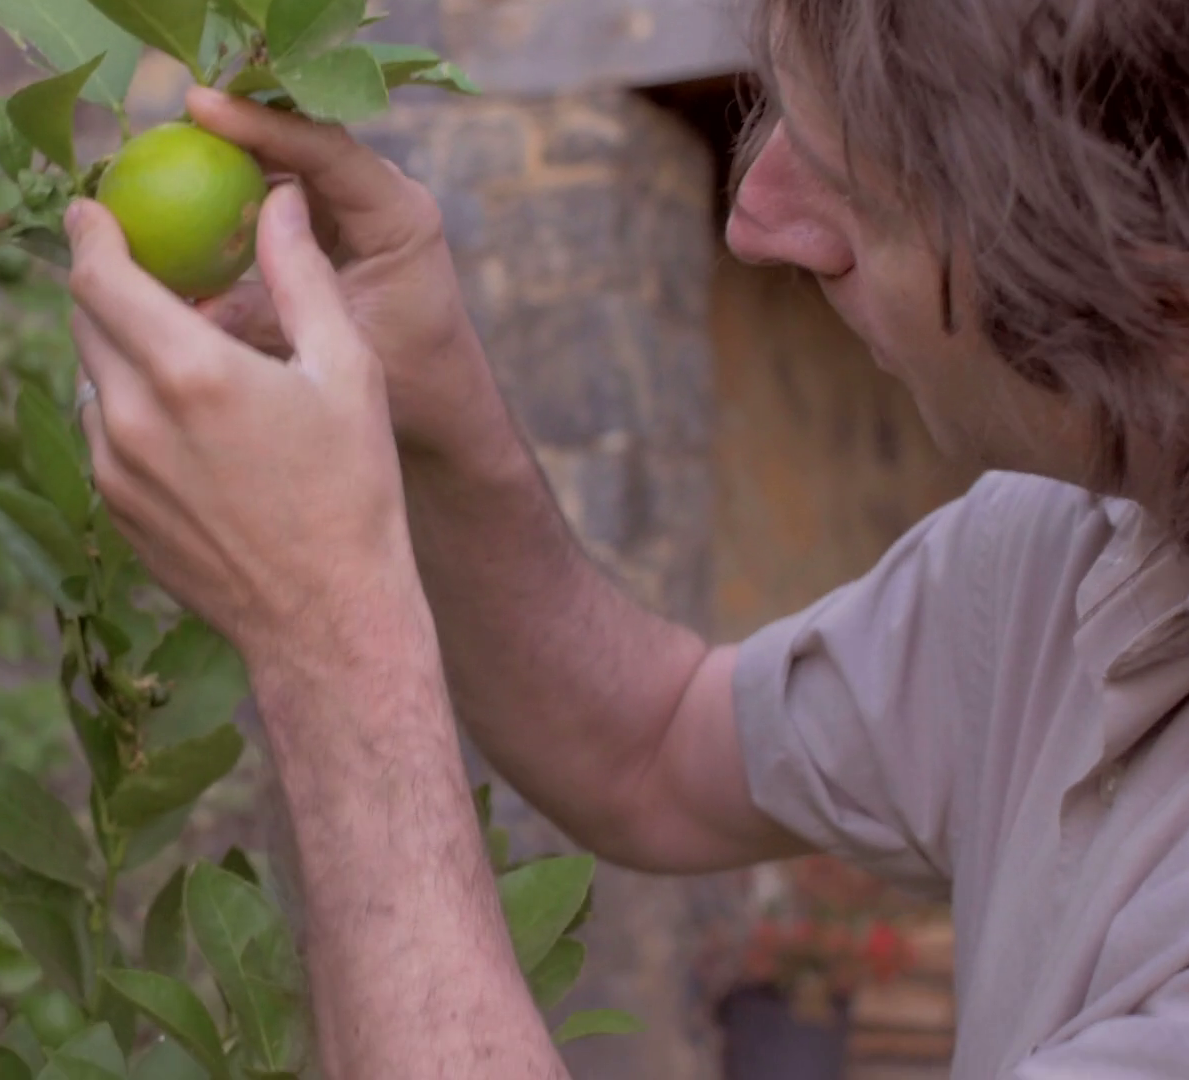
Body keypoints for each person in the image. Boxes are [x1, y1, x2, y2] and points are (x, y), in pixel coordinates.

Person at [60, 0, 1189, 1075]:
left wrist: (328, 636)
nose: (755, 224)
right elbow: (655, 749)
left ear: (1153, 280)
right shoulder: (1078, 543)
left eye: (860, 195)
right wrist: (443, 422)